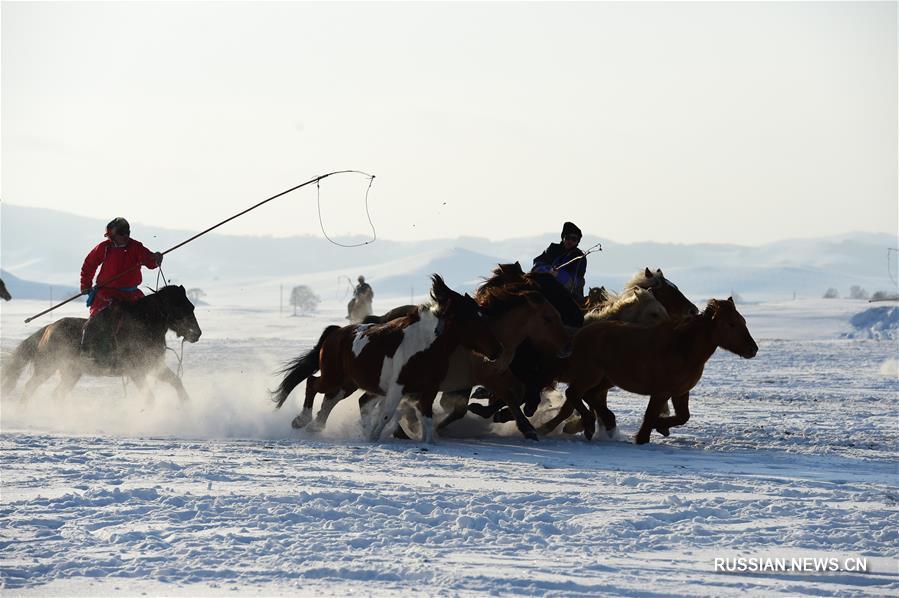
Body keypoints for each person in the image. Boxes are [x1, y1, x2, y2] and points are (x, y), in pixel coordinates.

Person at [79, 217, 163, 365]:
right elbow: (89, 265)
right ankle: (87, 353)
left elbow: (149, 262)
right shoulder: (103, 248)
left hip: (132, 295)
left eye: (128, 232)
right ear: (112, 235)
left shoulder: (136, 247)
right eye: (122, 232)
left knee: (148, 318)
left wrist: (155, 258)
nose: (126, 235)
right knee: (98, 321)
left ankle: (149, 351)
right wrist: (86, 284)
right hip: (106, 295)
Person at [531, 221, 587, 299]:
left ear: (577, 241)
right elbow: (537, 264)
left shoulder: (580, 257)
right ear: (563, 238)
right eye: (567, 238)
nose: (570, 241)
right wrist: (548, 271)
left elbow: (577, 281)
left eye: (574, 239)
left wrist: (558, 275)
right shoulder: (553, 249)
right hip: (544, 286)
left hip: (567, 295)